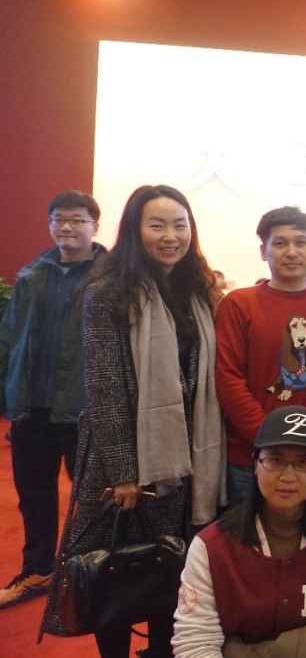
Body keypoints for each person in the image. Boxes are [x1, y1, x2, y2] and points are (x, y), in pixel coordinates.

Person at [41, 185, 225, 657]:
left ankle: (162, 651)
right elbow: (104, 389)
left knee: (172, 571)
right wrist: (124, 472)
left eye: (180, 225)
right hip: (123, 460)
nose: (170, 236)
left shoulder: (199, 291)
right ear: (133, 230)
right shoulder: (107, 291)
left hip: (184, 459)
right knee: (114, 573)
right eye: (156, 225)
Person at [172, 406, 306, 657]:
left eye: (305, 462)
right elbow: (194, 646)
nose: (288, 476)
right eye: (275, 460)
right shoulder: (210, 547)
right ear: (255, 464)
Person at [0, 191, 107, 610]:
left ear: (95, 226)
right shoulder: (32, 276)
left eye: (77, 219)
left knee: (92, 500)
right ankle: (37, 569)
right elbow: (9, 338)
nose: (67, 227)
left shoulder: (111, 278)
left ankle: (91, 575)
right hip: (32, 407)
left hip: (83, 409)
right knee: (34, 495)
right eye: (59, 219)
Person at [215, 206, 306, 508]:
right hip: (250, 452)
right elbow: (228, 379)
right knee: (248, 533)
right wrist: (269, 438)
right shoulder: (238, 304)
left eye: (301, 242)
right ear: (264, 250)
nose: (292, 252)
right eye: (280, 243)